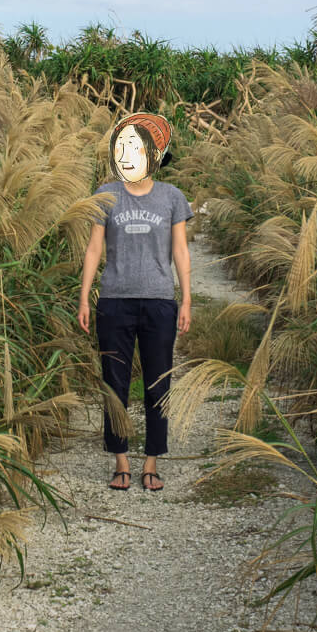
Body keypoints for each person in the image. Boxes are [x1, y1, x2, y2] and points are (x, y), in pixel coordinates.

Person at [77, 112, 193, 491]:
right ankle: (121, 461)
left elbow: (180, 250)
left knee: (159, 384)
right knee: (115, 383)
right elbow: (94, 248)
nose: (128, 155)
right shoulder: (106, 194)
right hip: (114, 301)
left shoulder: (172, 198)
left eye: (137, 148)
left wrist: (187, 298)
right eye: (123, 147)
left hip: (159, 302)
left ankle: (152, 462)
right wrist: (84, 297)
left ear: (155, 155)